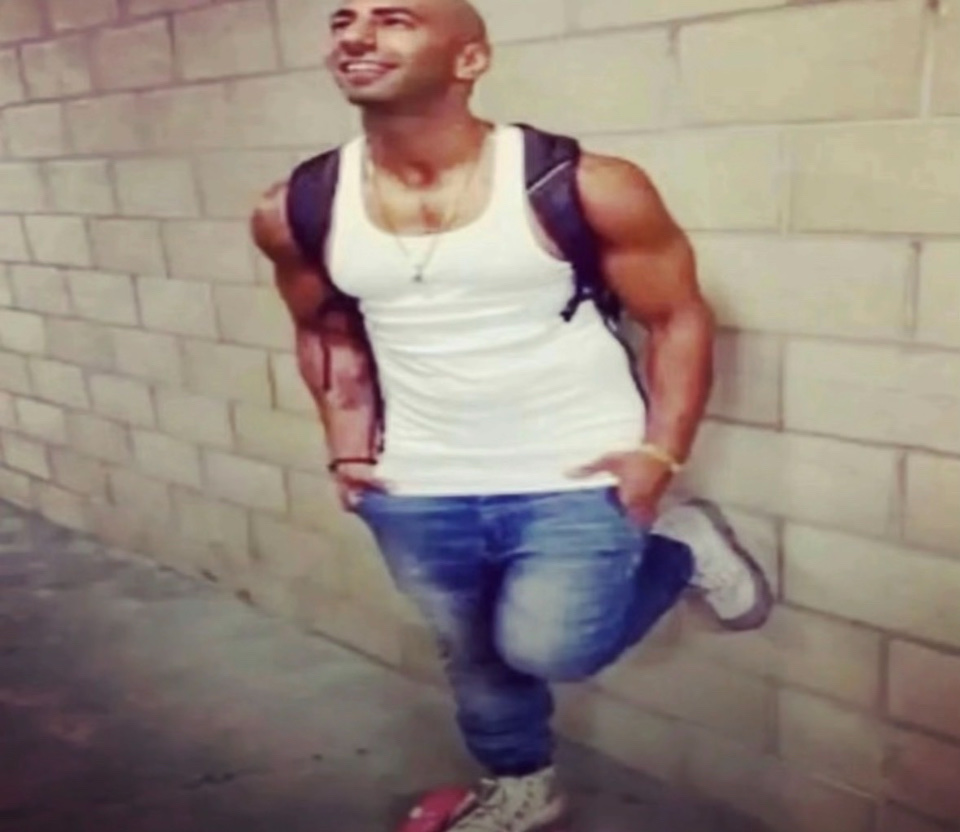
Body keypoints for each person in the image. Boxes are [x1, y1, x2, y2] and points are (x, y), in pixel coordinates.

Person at [251, 1, 773, 829]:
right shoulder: (299, 207)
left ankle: (681, 546)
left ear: (470, 60)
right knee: (471, 650)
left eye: (394, 18)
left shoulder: (584, 185)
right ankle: (521, 782)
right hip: (416, 480)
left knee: (552, 647)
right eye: (343, 19)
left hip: (577, 466)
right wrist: (347, 449)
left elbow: (677, 318)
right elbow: (328, 332)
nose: (355, 36)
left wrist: (661, 456)